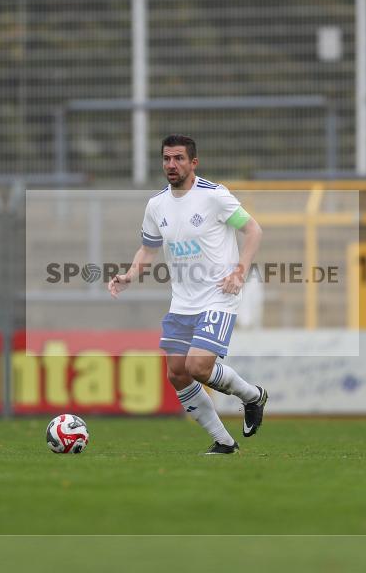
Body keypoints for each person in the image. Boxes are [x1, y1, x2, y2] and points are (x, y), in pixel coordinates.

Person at [108, 134, 268, 455]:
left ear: (193, 162)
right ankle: (224, 442)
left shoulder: (214, 196)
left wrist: (239, 272)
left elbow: (253, 230)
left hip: (219, 294)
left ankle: (252, 396)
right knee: (177, 374)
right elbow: (148, 248)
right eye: (166, 158)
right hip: (182, 301)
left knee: (198, 367)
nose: (172, 164)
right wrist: (129, 275)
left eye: (179, 158)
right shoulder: (156, 205)